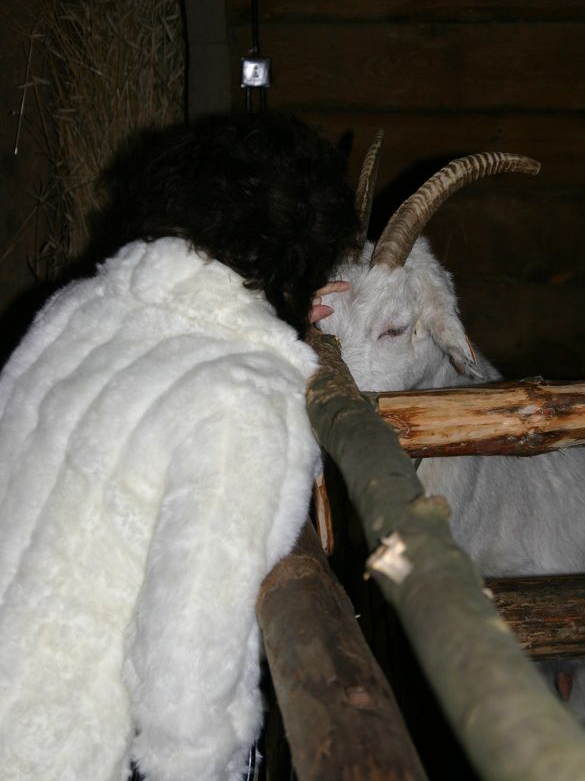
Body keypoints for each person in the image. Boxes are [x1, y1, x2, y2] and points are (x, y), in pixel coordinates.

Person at [0, 111, 358, 781]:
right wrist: (206, 764)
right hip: (44, 748)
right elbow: (189, 655)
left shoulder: (76, 311)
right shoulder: (242, 396)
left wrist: (278, 310)